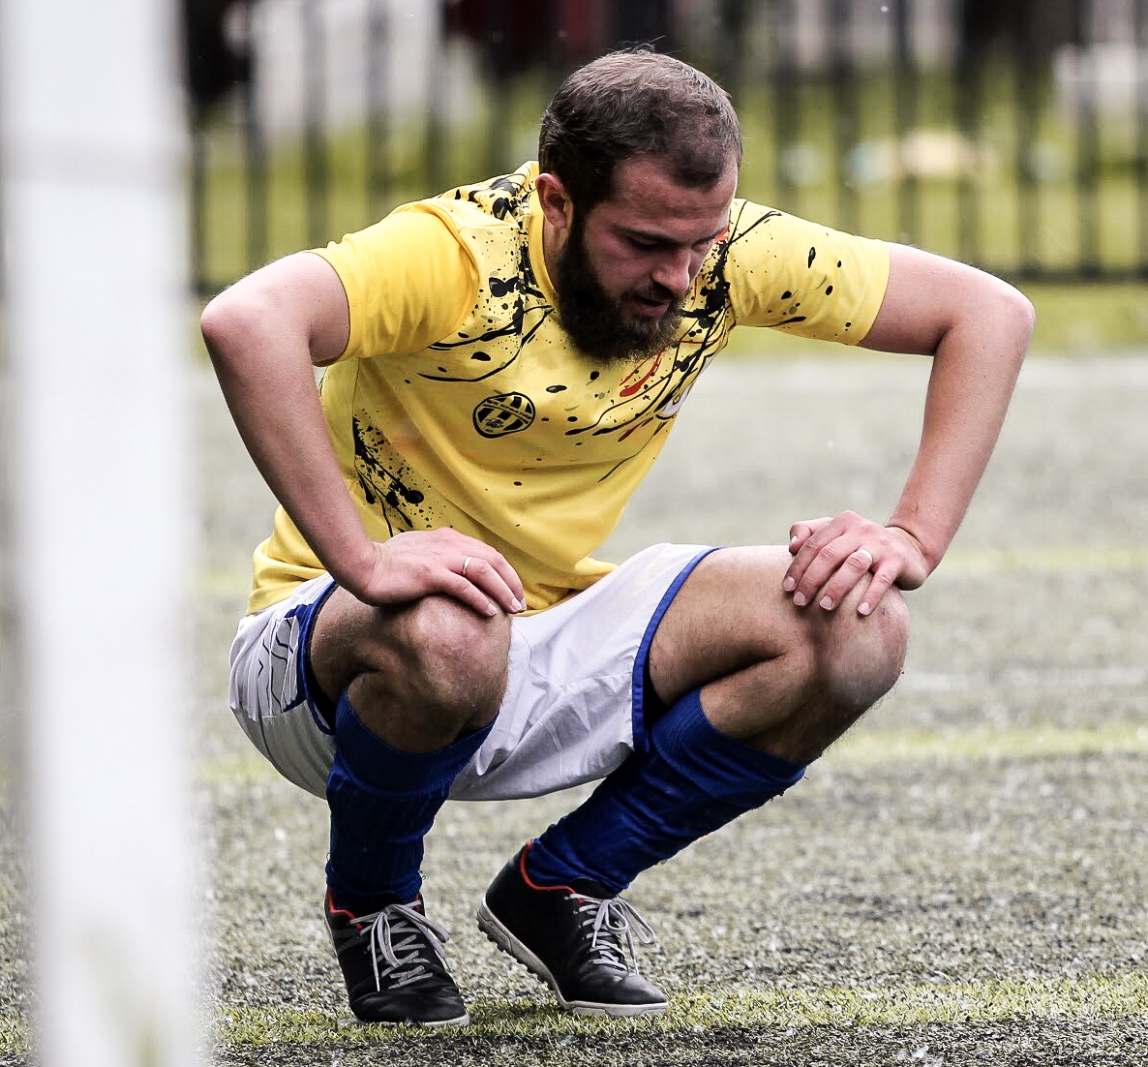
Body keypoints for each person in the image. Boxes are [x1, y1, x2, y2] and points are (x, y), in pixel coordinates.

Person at [201, 48, 1032, 1027]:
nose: (678, 276)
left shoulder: (717, 257)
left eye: (700, 240)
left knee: (857, 627)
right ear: (555, 200)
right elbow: (246, 320)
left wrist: (910, 536)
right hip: (325, 658)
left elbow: (988, 312)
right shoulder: (456, 252)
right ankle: (373, 903)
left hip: (539, 629)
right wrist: (364, 558)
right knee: (449, 622)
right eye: (643, 241)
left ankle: (561, 887)